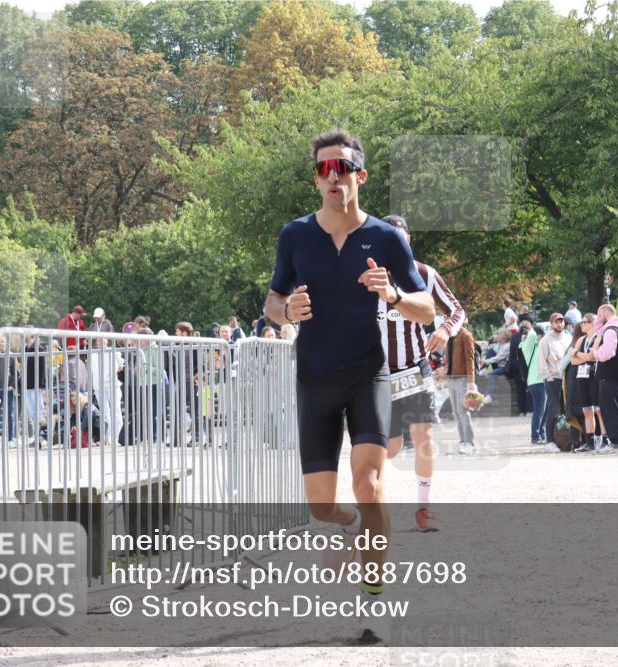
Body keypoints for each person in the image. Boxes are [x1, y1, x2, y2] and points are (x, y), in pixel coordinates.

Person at [264, 129, 434, 644]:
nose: (333, 177)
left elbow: (427, 309)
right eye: (324, 170)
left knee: (371, 486)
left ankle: (375, 600)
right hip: (314, 376)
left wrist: (394, 293)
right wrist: (284, 312)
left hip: (367, 372)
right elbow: (272, 301)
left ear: (361, 174)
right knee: (321, 506)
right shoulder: (295, 235)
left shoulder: (386, 238)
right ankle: (348, 525)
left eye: (342, 167)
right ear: (316, 179)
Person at [381, 213, 466, 529]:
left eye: (400, 240)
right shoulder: (366, 279)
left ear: (408, 242)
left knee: (423, 435)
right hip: (378, 374)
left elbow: (457, 310)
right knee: (389, 448)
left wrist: (444, 329)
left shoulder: (425, 275)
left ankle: (423, 508)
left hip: (415, 367)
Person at [577, 304, 618, 454]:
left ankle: (615, 442)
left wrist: (595, 352)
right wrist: (600, 327)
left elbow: (607, 353)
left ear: (606, 314)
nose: (597, 319)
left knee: (611, 409)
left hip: (609, 375)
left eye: (599, 316)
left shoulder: (610, 331)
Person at [568, 315, 605, 452]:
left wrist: (577, 353)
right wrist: (583, 356)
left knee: (598, 410)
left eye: (585, 322)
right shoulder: (581, 339)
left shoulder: (598, 337)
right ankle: (590, 442)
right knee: (587, 410)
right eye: (582, 322)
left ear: (593, 323)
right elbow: (573, 361)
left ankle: (603, 439)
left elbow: (593, 356)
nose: (582, 324)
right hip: (581, 377)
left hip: (594, 377)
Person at [539, 313, 571, 452]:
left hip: (567, 378)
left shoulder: (569, 338)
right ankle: (550, 440)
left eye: (561, 322)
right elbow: (541, 360)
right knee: (553, 409)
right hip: (553, 379)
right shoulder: (546, 340)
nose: (560, 324)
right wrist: (548, 376)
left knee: (567, 409)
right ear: (552, 323)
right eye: (557, 322)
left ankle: (565, 438)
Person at [446, 322, 478, 455]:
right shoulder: (450, 335)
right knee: (456, 412)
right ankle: (462, 441)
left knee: (463, 411)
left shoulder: (466, 335)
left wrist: (471, 382)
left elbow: (470, 359)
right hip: (452, 377)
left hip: (463, 378)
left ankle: (469, 442)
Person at [519, 321, 546, 444]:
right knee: (539, 410)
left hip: (540, 380)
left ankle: (541, 434)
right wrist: (532, 328)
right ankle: (535, 436)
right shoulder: (529, 345)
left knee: (543, 409)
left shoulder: (537, 345)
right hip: (536, 381)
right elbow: (531, 335)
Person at [506, 320, 529, 416]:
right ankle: (531, 409)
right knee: (531, 388)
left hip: (516, 365)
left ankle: (522, 411)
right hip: (528, 365)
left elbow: (511, 353)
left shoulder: (514, 337)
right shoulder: (530, 336)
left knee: (520, 390)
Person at [482, 329, 510, 403]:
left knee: (491, 373)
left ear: (505, 336)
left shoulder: (507, 346)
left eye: (499, 334)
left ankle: (489, 395)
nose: (497, 336)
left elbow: (498, 358)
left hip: (503, 367)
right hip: (496, 365)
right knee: (490, 351)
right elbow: (491, 354)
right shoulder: (498, 345)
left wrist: (486, 362)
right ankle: (487, 369)